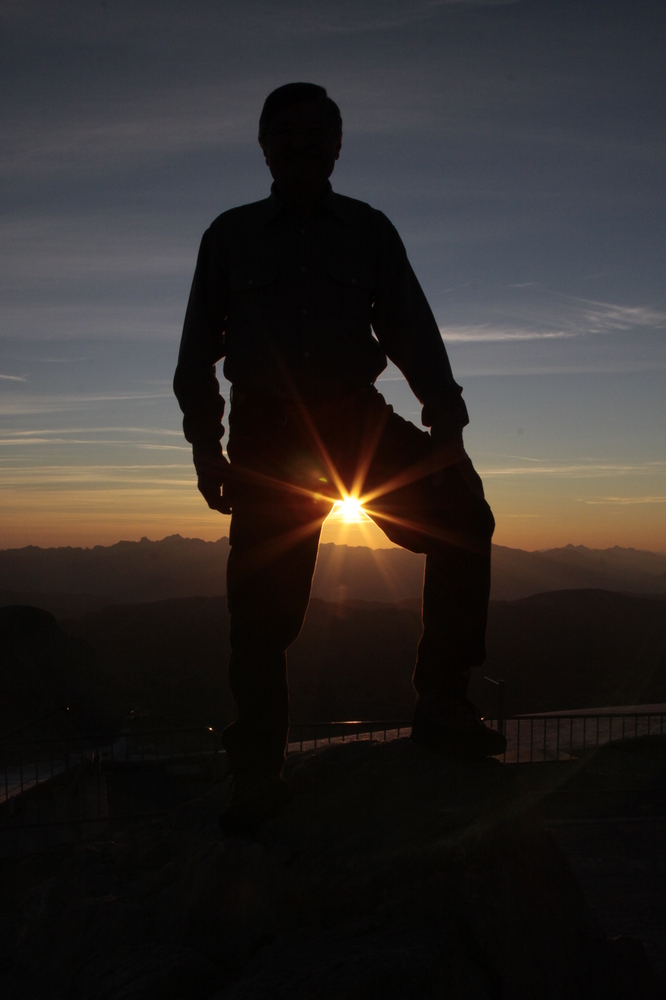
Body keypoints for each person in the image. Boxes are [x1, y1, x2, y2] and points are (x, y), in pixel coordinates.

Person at [174, 82, 506, 834]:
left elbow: (413, 332)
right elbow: (197, 353)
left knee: (463, 518)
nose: (298, 147)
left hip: (356, 424)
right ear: (262, 146)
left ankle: (441, 701)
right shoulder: (230, 236)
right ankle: (256, 770)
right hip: (267, 439)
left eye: (314, 134)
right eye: (284, 134)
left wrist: (446, 429)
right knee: (261, 614)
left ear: (336, 147)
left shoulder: (369, 232)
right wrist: (206, 445)